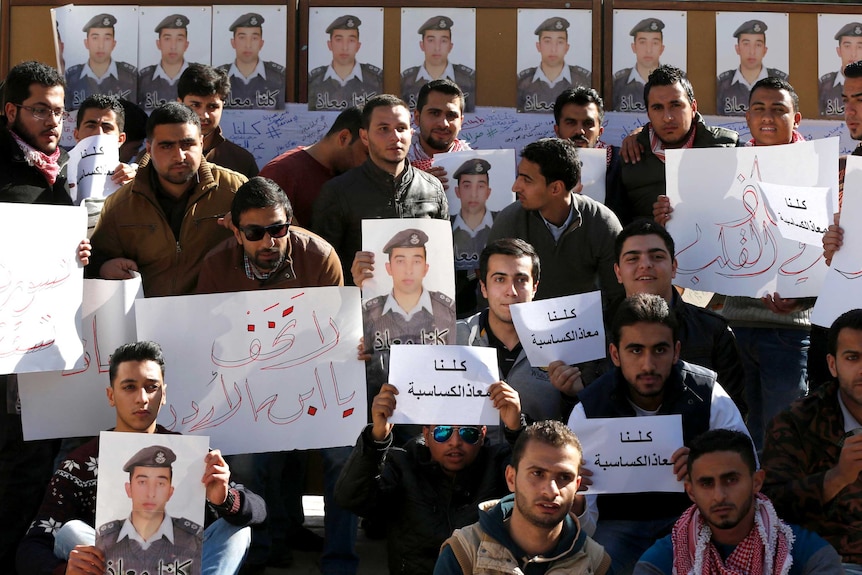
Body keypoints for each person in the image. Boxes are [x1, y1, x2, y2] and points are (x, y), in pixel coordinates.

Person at [195, 176, 344, 572]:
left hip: (315, 381)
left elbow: (337, 333)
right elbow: (209, 341)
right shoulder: (215, 265)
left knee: (344, 454)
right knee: (245, 461)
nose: (268, 241)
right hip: (246, 385)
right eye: (255, 232)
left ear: (290, 222)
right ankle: (256, 553)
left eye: (278, 230)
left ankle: (340, 559)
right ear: (235, 228)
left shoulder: (321, 256)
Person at [655, 77, 810, 453]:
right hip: (729, 326)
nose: (768, 117)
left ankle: (776, 512)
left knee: (783, 437)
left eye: (778, 109)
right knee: (731, 433)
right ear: (747, 116)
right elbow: (705, 236)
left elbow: (829, 253)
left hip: (787, 331)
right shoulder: (724, 168)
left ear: (797, 118)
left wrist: (801, 299)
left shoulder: (817, 172)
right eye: (759, 108)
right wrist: (671, 221)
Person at [16, 341, 266, 575]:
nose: (142, 398)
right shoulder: (82, 464)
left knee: (237, 529)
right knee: (72, 532)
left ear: (164, 394)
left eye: (151, 387)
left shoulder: (190, 454)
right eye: (129, 387)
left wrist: (224, 498)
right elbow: (32, 547)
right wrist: (66, 570)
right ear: (111, 395)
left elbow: (258, 510)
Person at [568, 293, 750, 574]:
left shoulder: (707, 394)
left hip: (696, 519)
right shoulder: (589, 410)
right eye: (636, 350)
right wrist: (577, 497)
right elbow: (587, 522)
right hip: (617, 526)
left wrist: (706, 468)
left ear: (676, 351)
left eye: (660, 350)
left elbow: (749, 469)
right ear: (615, 354)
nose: (648, 365)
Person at [0, 60, 91, 572]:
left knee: (30, 456)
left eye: (59, 111)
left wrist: (75, 254)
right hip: (7, 336)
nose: (53, 121)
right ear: (11, 110)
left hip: (43, 338)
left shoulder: (70, 169)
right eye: (40, 110)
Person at [336, 380, 523, 575]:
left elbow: (536, 483)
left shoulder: (499, 464)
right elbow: (351, 499)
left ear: (482, 435)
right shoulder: (403, 463)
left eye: (468, 433)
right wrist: (376, 441)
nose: (455, 442)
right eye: (443, 432)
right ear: (426, 434)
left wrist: (517, 430)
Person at [88, 101, 247, 297]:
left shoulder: (235, 190)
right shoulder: (121, 204)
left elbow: (282, 238)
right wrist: (104, 267)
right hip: (150, 320)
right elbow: (95, 260)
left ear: (202, 143)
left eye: (187, 144)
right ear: (148, 149)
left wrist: (250, 230)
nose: (179, 156)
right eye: (166, 146)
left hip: (222, 318)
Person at [634, 429, 842, 575]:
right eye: (706, 483)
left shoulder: (808, 555)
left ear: (757, 482)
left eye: (731, 480)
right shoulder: (661, 563)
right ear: (691, 491)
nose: (719, 495)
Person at [434, 420, 611, 575]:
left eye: (564, 477)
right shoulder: (464, 553)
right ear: (511, 478)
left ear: (577, 486)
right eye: (537, 473)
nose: (551, 491)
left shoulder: (596, 564)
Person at [609, 219, 747, 417]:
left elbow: (733, 409)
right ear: (618, 272)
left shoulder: (712, 330)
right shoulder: (600, 328)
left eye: (657, 257)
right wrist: (570, 392)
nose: (645, 265)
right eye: (633, 259)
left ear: (674, 267)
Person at [762, 308, 862, 571]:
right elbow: (770, 508)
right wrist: (837, 477)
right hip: (827, 562)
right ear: (832, 364)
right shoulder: (796, 422)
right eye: (853, 357)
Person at [312, 94, 448, 286]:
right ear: (365, 136)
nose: (395, 137)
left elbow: (442, 257)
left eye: (401, 128)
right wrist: (354, 279)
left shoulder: (432, 189)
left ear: (411, 133)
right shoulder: (338, 192)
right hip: (358, 309)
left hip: (423, 308)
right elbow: (322, 266)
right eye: (383, 129)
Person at [460, 239, 576, 443]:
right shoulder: (451, 337)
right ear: (484, 288)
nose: (511, 291)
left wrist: (572, 396)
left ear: (535, 287)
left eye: (521, 280)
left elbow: (578, 429)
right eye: (499, 279)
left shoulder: (566, 343)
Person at [487, 138, 623, 305]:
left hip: (587, 327)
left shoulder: (601, 222)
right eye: (518, 177)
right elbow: (492, 295)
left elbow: (618, 294)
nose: (515, 187)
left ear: (556, 188)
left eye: (526, 180)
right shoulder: (510, 221)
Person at [621, 65, 738, 221]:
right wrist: (653, 228)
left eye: (675, 105)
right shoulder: (630, 156)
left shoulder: (729, 146)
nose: (667, 117)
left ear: (693, 107)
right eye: (657, 108)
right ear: (648, 113)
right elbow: (620, 224)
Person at [97, 445, 203, 575]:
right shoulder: (104, 539)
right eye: (142, 482)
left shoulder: (193, 540)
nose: (151, 493)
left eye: (160, 484)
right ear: (128, 489)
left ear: (170, 492)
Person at [259, 106, 367, 227]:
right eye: (367, 153)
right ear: (344, 138)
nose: (371, 163)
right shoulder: (281, 172)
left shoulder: (355, 178)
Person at [363, 228, 456, 353]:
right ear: (389, 268)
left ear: (425, 268)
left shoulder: (447, 311)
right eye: (400, 261)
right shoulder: (369, 314)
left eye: (416, 261)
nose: (408, 270)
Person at [553, 86, 628, 222]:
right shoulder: (542, 164)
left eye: (588, 123)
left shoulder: (621, 161)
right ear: (557, 130)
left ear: (600, 131)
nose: (580, 131)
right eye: (571, 123)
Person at [177, 63, 259, 178]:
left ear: (222, 106)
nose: (204, 115)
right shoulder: (155, 157)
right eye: (195, 105)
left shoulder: (241, 161)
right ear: (180, 103)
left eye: (212, 107)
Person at [308, 14, 383, 111]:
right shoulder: (313, 81)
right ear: (329, 44)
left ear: (358, 46)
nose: (345, 47)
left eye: (351, 40)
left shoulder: (376, 80)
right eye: (339, 40)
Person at [401, 15, 476, 112]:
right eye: (431, 40)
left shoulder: (469, 80)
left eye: (443, 41)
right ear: (422, 45)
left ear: (450, 46)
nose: (437, 48)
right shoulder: (406, 80)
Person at [516, 17, 591, 113]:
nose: (553, 49)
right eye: (547, 42)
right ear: (538, 46)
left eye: (560, 42)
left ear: (567, 47)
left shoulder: (584, 80)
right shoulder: (523, 81)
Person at [65, 13, 137, 110]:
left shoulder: (130, 77)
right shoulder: (71, 78)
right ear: (86, 43)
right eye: (95, 38)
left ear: (113, 43)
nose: (101, 45)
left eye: (107, 38)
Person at [716, 19, 788, 116]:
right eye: (746, 44)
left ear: (765, 50)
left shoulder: (781, 82)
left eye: (758, 45)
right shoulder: (723, 84)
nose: (752, 51)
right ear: (737, 49)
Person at [406, 79, 472, 184]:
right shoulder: (397, 159)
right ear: (417, 118)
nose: (443, 124)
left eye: (451, 115)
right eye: (434, 113)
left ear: (461, 122)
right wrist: (416, 187)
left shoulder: (472, 162)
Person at [217, 12, 285, 110]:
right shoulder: (218, 77)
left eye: (254, 38)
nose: (248, 45)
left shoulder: (279, 78)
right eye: (242, 37)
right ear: (233, 43)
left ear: (261, 43)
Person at [138, 14, 191, 110]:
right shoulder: (143, 78)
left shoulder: (198, 76)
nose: (173, 46)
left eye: (179, 39)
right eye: (167, 39)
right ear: (158, 44)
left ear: (186, 45)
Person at [451, 158, 495, 272]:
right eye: (467, 186)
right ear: (457, 191)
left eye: (480, 186)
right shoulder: (445, 225)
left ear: (488, 192)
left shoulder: (503, 222)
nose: (474, 194)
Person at [613, 18, 665, 113]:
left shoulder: (677, 82)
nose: (648, 50)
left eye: (655, 43)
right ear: (634, 47)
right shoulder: (617, 83)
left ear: (662, 48)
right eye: (642, 42)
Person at [819, 22, 862, 117]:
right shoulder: (824, 86)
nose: (853, 54)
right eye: (847, 46)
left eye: (860, 47)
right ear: (839, 51)